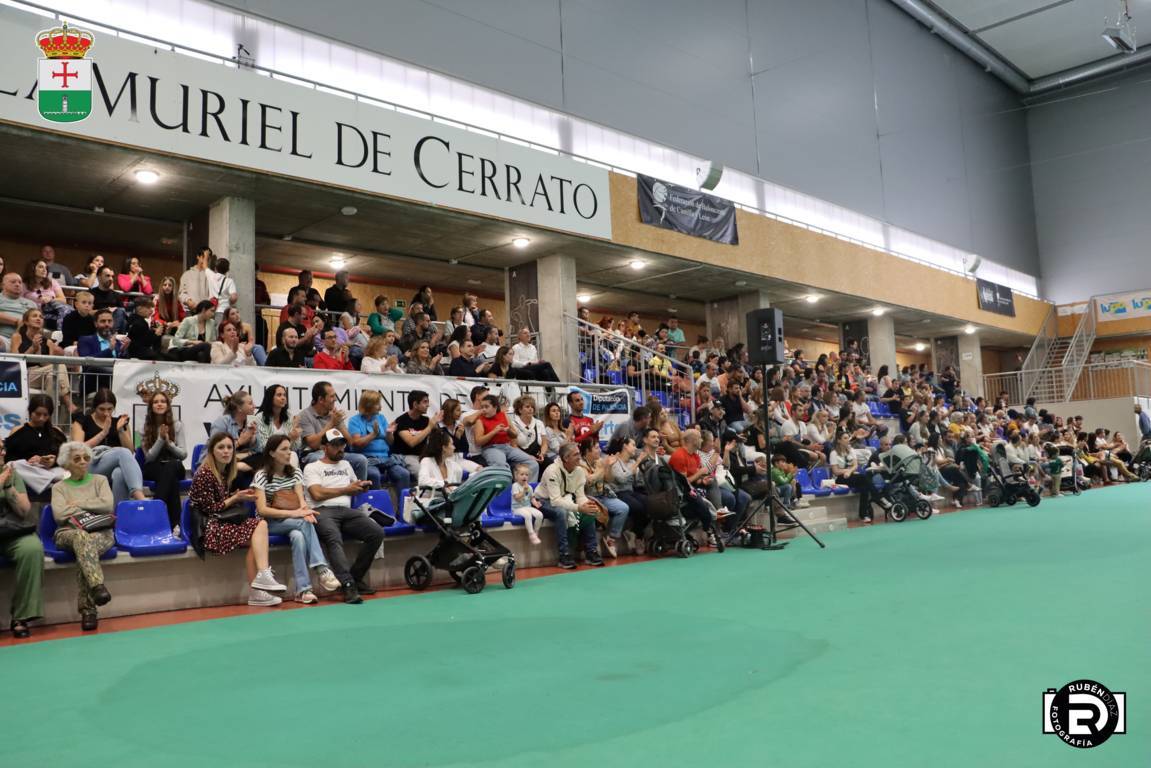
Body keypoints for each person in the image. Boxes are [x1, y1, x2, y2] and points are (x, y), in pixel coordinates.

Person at [188, 432, 287, 607]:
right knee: (259, 528)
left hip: (219, 523)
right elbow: (210, 509)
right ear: (212, 451)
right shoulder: (205, 473)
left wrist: (237, 496)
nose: (226, 451)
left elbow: (219, 502)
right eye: (221, 447)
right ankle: (260, 582)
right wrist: (235, 498)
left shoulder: (223, 472)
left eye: (229, 447)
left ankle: (259, 585)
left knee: (259, 530)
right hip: (208, 529)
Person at [251, 435, 342, 604]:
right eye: (284, 449)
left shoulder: (295, 473)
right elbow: (262, 510)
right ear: (272, 453)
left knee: (299, 536)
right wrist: (296, 514)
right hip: (268, 523)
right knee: (303, 522)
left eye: (290, 449)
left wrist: (305, 511)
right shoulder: (261, 475)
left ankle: (303, 590)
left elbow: (301, 501)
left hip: (293, 520)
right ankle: (321, 568)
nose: (289, 453)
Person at [303, 429, 388, 603]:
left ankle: (356, 578)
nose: (340, 448)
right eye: (335, 445)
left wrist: (361, 486)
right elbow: (317, 494)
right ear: (325, 447)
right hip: (322, 510)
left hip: (346, 510)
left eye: (342, 444)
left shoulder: (346, 465)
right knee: (333, 538)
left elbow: (353, 487)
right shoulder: (312, 467)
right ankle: (348, 585)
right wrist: (346, 489)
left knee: (376, 532)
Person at [50, 441, 116, 631]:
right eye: (77, 458)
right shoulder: (59, 487)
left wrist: (77, 503)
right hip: (67, 533)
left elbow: (107, 506)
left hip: (100, 532)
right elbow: (59, 515)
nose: (83, 461)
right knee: (81, 538)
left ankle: (88, 611)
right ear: (66, 463)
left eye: (86, 458)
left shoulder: (100, 480)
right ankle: (97, 586)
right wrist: (93, 504)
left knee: (84, 550)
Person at [70, 389, 147, 507]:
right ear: (94, 407)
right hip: (88, 464)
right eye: (101, 409)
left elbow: (130, 452)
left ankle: (118, 512)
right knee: (121, 452)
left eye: (110, 409)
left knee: (119, 473)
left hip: (110, 467)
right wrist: (103, 433)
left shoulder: (120, 422)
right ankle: (140, 497)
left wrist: (120, 430)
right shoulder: (82, 421)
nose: (106, 413)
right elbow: (78, 450)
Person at [534, 443, 603, 569]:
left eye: (579, 453)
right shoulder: (552, 471)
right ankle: (564, 555)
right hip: (542, 501)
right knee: (561, 512)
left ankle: (591, 551)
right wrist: (578, 508)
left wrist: (586, 505)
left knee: (590, 510)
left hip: (565, 499)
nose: (579, 457)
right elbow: (555, 501)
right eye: (576, 454)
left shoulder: (579, 471)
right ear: (566, 458)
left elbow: (580, 496)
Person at [0, 444, 44, 638]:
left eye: (3, 448)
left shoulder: (10, 473)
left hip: (10, 531)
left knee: (32, 548)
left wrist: (9, 487)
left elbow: (24, 510)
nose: (3, 453)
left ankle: (21, 616)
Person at [297, 381, 371, 482]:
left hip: (335, 451)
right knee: (319, 458)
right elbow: (314, 444)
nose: (335, 399)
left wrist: (339, 423)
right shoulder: (305, 415)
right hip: (314, 453)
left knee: (361, 460)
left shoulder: (334, 415)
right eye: (332, 396)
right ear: (321, 399)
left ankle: (358, 490)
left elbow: (350, 442)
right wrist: (331, 423)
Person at [139, 389, 187, 533]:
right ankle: (175, 525)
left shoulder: (177, 425)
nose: (159, 404)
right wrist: (160, 439)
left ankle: (154, 514)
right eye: (155, 402)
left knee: (172, 466)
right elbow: (149, 457)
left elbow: (183, 454)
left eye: (162, 401)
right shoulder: (144, 427)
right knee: (170, 479)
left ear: (167, 405)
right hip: (154, 467)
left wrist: (169, 443)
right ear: (151, 406)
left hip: (174, 464)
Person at [11, 308, 74, 416]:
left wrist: (38, 350)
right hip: (23, 374)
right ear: (26, 321)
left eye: (41, 317)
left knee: (53, 376)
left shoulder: (48, 342)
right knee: (59, 367)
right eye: (34, 316)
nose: (38, 318)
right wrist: (32, 348)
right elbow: (14, 361)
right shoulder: (17, 336)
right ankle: (68, 401)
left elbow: (48, 365)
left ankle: (47, 416)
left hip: (42, 373)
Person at [347, 389, 411, 493]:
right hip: (367, 460)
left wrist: (389, 433)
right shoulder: (354, 421)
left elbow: (390, 442)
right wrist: (373, 435)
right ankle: (376, 503)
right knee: (374, 475)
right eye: (377, 404)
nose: (380, 407)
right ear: (368, 405)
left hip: (385, 458)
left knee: (404, 474)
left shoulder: (381, 418)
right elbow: (356, 443)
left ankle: (404, 503)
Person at [667, 429, 722, 547]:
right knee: (704, 508)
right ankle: (710, 530)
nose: (702, 440)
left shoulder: (695, 456)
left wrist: (702, 480)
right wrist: (700, 473)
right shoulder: (679, 456)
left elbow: (695, 479)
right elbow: (683, 483)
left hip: (693, 489)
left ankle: (714, 519)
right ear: (693, 440)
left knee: (711, 488)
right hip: (681, 492)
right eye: (699, 438)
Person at [4, 394, 68, 495]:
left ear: (50, 415)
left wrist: (53, 462)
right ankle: (49, 482)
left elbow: (66, 458)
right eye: (37, 414)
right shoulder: (17, 431)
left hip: (51, 470)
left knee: (69, 472)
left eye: (45, 415)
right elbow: (8, 458)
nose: (41, 418)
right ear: (30, 411)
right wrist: (28, 461)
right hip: (29, 471)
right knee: (13, 465)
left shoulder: (56, 432)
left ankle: (47, 481)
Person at [579, 440, 630, 558]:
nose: (600, 450)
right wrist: (604, 467)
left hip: (603, 495)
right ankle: (586, 546)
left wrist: (609, 467)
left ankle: (611, 538)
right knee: (594, 513)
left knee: (623, 508)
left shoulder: (599, 462)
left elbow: (609, 479)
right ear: (587, 451)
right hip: (588, 497)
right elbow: (589, 481)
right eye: (596, 448)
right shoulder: (580, 465)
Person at [473, 394, 539, 481]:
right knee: (501, 467)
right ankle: (507, 489)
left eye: (486, 407)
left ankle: (527, 487)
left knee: (532, 463)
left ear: (495, 407)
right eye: (482, 407)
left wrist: (508, 431)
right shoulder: (480, 420)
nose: (483, 410)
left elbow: (515, 435)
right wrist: (494, 432)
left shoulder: (503, 415)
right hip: (491, 448)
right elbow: (478, 441)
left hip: (507, 446)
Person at [604, 435, 648, 553]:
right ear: (625, 446)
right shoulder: (614, 460)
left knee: (650, 504)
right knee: (638, 507)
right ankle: (636, 536)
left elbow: (638, 481)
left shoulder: (632, 461)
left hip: (631, 491)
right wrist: (638, 462)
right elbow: (621, 479)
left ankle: (635, 533)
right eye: (633, 445)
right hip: (618, 492)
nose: (635, 448)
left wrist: (640, 468)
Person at [392, 389, 443, 477]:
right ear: (415, 404)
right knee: (425, 475)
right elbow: (412, 442)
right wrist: (429, 427)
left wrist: (437, 426)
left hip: (422, 457)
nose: (428, 405)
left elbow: (440, 438)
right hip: (405, 456)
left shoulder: (426, 420)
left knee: (440, 473)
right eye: (425, 402)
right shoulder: (401, 421)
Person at [829, 431, 875, 524]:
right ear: (839, 440)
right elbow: (835, 471)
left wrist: (849, 471)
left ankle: (863, 514)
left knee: (864, 487)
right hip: (839, 478)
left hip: (850, 475)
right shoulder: (833, 453)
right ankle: (876, 498)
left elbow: (855, 465)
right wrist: (847, 471)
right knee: (863, 479)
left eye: (848, 438)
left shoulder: (851, 450)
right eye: (845, 438)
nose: (848, 440)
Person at [209, 390, 259, 468]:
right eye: (250, 403)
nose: (254, 406)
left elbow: (256, 451)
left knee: (263, 457)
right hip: (218, 463)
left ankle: (240, 467)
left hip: (240, 460)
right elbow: (216, 448)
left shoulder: (250, 422)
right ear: (239, 408)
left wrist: (252, 438)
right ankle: (239, 467)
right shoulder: (223, 421)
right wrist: (239, 442)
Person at [254, 385, 303, 460]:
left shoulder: (290, 417)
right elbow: (264, 446)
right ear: (270, 398)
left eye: (284, 395)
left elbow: (297, 447)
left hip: (287, 456)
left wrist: (295, 436)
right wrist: (289, 438)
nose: (283, 398)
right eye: (279, 395)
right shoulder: (260, 418)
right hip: (267, 457)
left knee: (293, 455)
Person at [22, 258, 70, 330]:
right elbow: (19, 301)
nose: (44, 270)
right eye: (41, 267)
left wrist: (50, 299)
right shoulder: (24, 285)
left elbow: (63, 300)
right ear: (32, 269)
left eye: (46, 268)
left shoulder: (52, 282)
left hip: (51, 315)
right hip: (32, 316)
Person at [0, 272, 38, 350]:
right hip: (3, 338)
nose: (17, 284)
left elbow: (38, 322)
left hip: (26, 340)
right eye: (13, 282)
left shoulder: (31, 304)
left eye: (20, 282)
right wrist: (17, 321)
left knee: (57, 350)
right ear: (2, 285)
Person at [124, 296, 168, 360]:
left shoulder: (132, 318)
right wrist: (156, 334)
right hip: (138, 354)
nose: (151, 310)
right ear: (139, 309)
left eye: (151, 308)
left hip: (134, 351)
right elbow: (146, 343)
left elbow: (141, 336)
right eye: (148, 308)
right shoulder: (141, 323)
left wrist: (153, 331)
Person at [510, 461, 543, 545]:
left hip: (527, 507)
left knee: (540, 515)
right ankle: (531, 534)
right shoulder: (515, 486)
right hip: (517, 508)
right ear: (516, 476)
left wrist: (536, 503)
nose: (524, 476)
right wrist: (524, 491)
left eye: (526, 475)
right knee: (528, 515)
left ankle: (536, 532)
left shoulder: (529, 487)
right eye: (522, 474)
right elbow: (517, 498)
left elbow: (532, 498)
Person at [178, 246, 216, 312]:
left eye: (207, 257)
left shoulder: (211, 275)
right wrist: (188, 301)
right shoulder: (187, 274)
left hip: (205, 311)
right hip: (190, 311)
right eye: (203, 256)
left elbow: (214, 294)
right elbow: (181, 293)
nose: (205, 259)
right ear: (198, 256)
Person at [89, 267, 126, 331]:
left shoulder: (116, 295)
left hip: (113, 321)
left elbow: (122, 312)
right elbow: (87, 312)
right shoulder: (91, 293)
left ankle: (110, 332)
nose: (111, 279)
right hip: (97, 322)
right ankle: (110, 333)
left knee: (121, 312)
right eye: (107, 276)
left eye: (112, 276)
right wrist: (105, 311)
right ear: (99, 277)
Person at [211, 257, 239, 325]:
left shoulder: (210, 278)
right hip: (223, 310)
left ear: (215, 268)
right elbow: (233, 298)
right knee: (221, 329)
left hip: (210, 310)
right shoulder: (229, 281)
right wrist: (231, 301)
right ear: (227, 270)